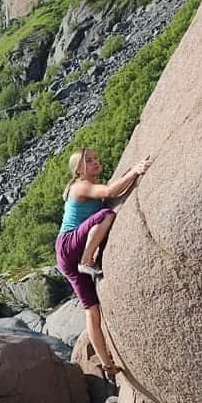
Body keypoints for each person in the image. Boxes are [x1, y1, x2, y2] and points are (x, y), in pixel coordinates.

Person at [55, 148, 151, 377]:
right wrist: (136, 172)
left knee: (92, 311)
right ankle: (87, 259)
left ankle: (107, 364)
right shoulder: (81, 186)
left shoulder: (82, 186)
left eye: (96, 158)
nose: (96, 162)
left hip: (65, 256)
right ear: (78, 170)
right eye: (89, 160)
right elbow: (109, 191)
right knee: (107, 214)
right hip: (70, 245)